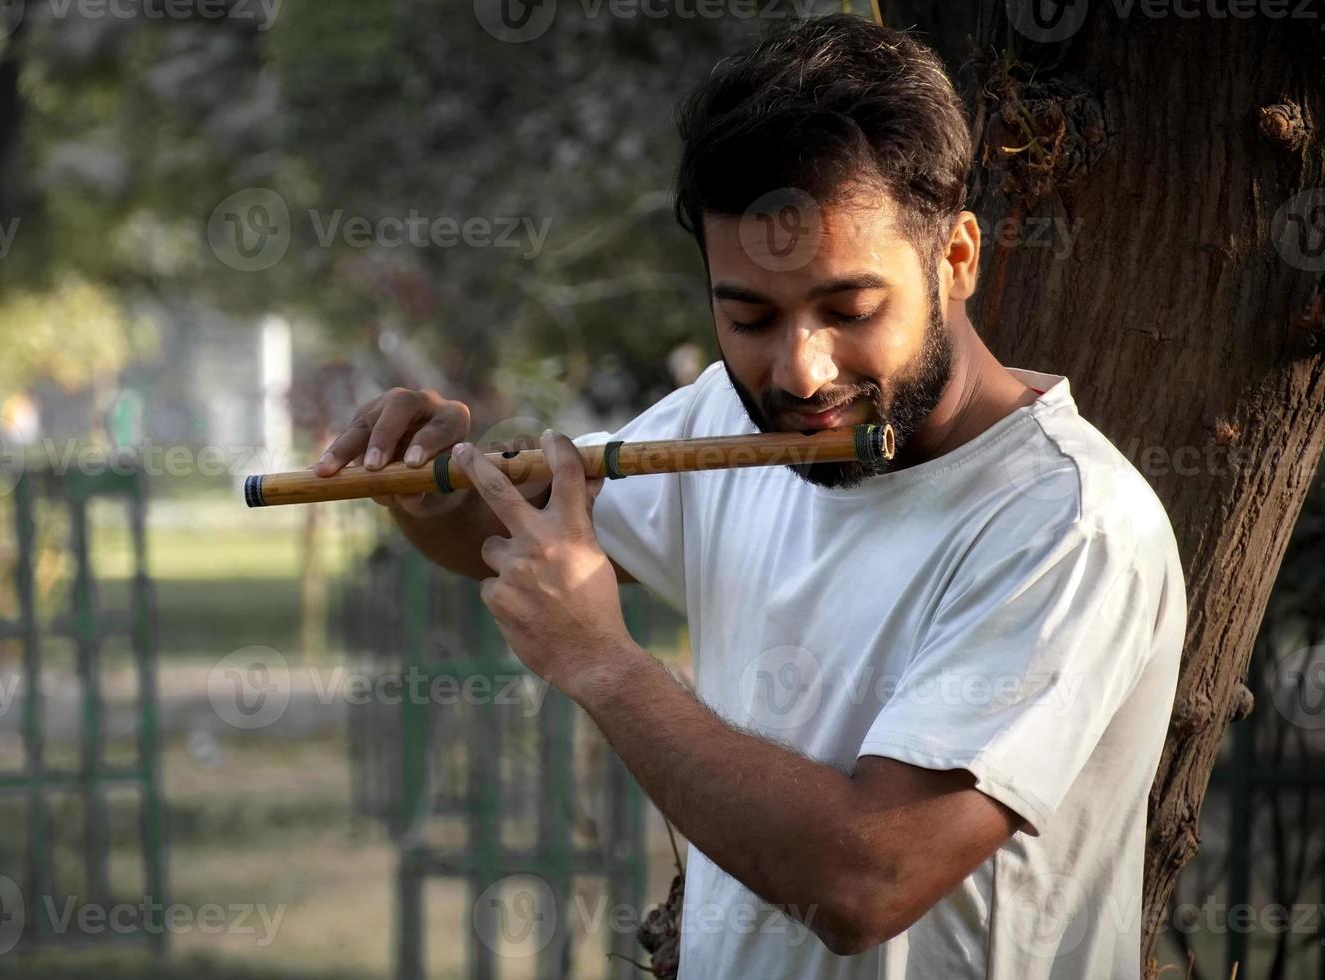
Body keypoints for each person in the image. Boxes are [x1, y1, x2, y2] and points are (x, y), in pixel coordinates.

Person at [312, 14, 1184, 978]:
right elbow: (511, 530)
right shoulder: (719, 421)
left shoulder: (1067, 523)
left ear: (958, 259)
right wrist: (430, 491)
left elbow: (865, 885)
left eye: (850, 311)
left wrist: (602, 663)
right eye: (751, 317)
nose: (801, 372)